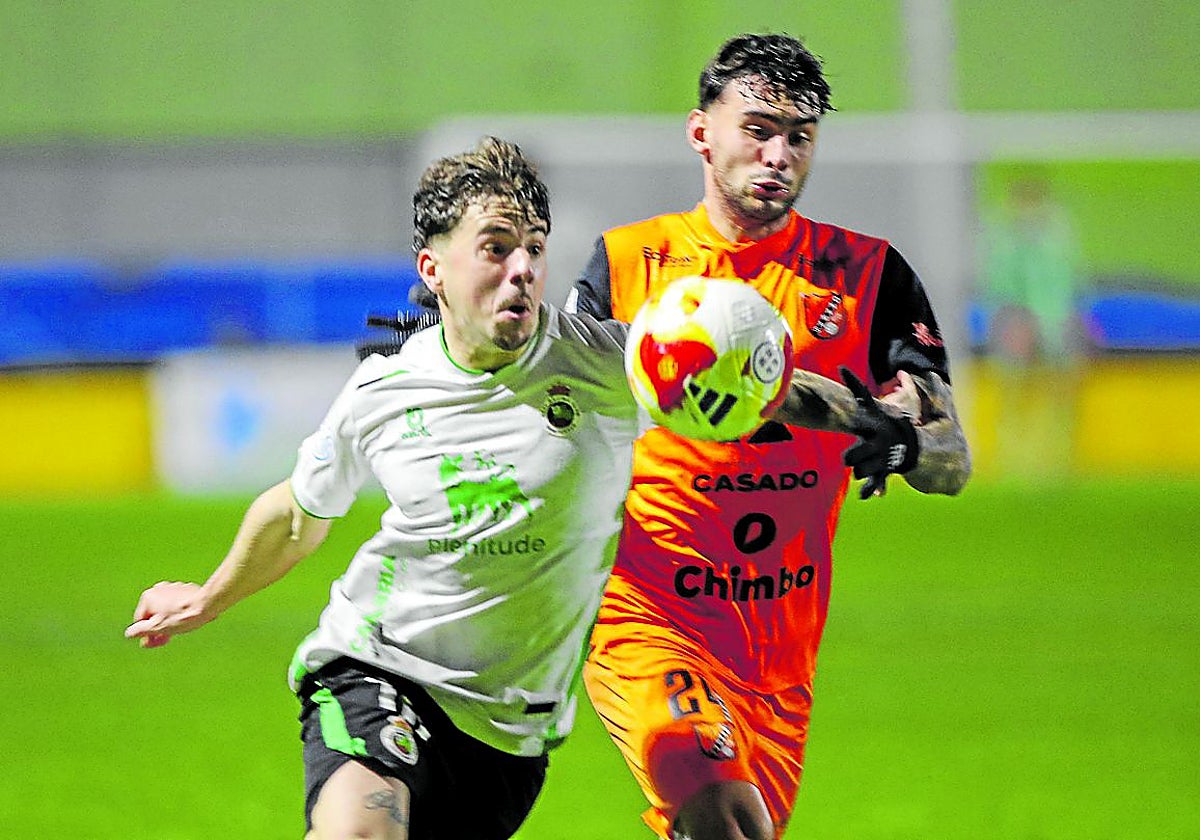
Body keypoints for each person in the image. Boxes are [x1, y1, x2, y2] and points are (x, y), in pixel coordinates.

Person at [126, 137, 642, 840]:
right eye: (496, 247)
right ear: (433, 268)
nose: (522, 269)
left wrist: (846, 407)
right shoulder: (387, 387)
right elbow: (298, 513)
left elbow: (744, 384)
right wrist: (209, 596)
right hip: (376, 668)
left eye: (535, 248)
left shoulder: (602, 365)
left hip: (509, 736)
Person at [565, 33, 972, 840]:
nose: (779, 153)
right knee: (722, 818)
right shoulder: (627, 264)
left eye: (799, 135)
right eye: (758, 128)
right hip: (647, 614)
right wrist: (459, 349)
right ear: (700, 131)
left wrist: (903, 442)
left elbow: (954, 459)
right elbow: (555, 397)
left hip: (779, 655)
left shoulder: (869, 274)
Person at [981, 173, 1091, 477]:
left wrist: (1067, 318)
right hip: (1017, 316)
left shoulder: (1059, 232)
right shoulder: (1003, 234)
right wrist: (1020, 318)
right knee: (1013, 383)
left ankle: (1063, 451)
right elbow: (999, 284)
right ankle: (1010, 451)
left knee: (1066, 382)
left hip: (1058, 317)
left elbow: (1070, 280)